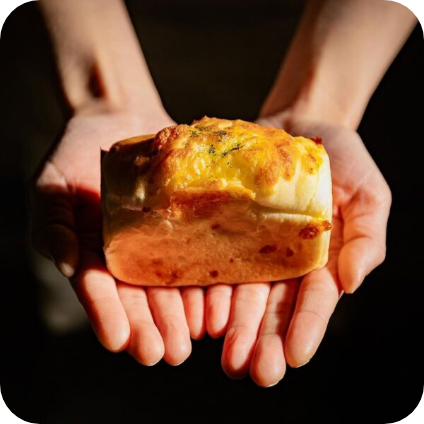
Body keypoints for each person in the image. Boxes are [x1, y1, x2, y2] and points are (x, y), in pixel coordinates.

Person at [31, 0, 417, 387]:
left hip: (312, 30)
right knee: (73, 297)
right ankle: (67, 377)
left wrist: (323, 102)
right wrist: (102, 95)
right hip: (87, 32)